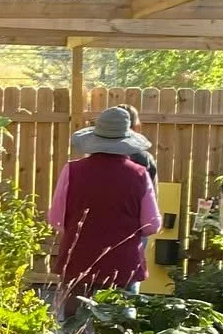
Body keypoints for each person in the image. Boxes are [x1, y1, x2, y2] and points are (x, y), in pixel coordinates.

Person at [49, 105, 161, 304]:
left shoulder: (72, 170)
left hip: (78, 260)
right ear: (126, 140)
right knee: (118, 328)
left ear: (94, 139)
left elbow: (56, 219)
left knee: (74, 326)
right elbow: (151, 224)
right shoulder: (139, 174)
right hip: (123, 265)